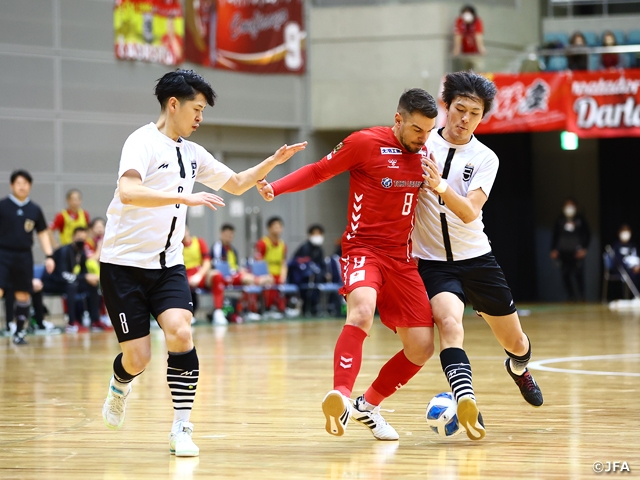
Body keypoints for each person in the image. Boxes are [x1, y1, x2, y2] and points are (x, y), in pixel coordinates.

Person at [99, 69, 305, 457]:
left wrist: (272, 162)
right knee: (138, 357)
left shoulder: (193, 153)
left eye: (203, 111)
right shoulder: (141, 142)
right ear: (173, 104)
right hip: (122, 265)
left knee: (180, 332)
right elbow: (127, 191)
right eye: (196, 109)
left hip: (168, 266)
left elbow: (238, 182)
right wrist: (185, 199)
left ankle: (181, 427)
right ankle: (120, 383)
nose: (200, 118)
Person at [258, 88, 438, 441]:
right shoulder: (364, 143)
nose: (423, 138)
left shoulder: (426, 155)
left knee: (421, 347)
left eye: (429, 131)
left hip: (402, 259)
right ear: (398, 119)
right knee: (360, 312)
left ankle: (367, 406)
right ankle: (340, 395)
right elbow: (319, 171)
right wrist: (275, 188)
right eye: (418, 129)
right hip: (363, 250)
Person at [413, 71, 543, 442]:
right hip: (433, 262)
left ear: (482, 117)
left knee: (517, 344)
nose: (464, 118)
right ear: (446, 107)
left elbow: (470, 211)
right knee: (451, 327)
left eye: (473, 112)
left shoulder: (486, 158)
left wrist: (438, 185)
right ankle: (466, 399)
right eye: (458, 109)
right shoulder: (422, 147)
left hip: (477, 259)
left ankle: (519, 370)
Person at [0, 170, 55, 345]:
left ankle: (20, 332)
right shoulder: (3, 206)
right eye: (18, 183)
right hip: (3, 253)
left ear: (30, 186)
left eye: (25, 183)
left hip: (24, 255)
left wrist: (49, 255)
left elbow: (43, 233)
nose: (22, 186)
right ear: (12, 185)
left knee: (23, 293)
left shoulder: (34, 209)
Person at [42, 226, 105, 333]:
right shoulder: (63, 251)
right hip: (52, 282)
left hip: (67, 281)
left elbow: (83, 272)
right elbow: (62, 275)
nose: (81, 240)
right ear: (73, 237)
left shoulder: (81, 252)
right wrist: (84, 277)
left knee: (92, 284)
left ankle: (95, 320)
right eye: (79, 237)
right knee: (72, 285)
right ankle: (71, 322)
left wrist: (87, 277)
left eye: (83, 238)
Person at [210, 223, 263, 324]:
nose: (229, 237)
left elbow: (236, 266)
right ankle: (219, 312)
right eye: (227, 234)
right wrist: (236, 273)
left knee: (250, 278)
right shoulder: (217, 247)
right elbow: (218, 266)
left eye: (231, 235)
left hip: (234, 275)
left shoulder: (233, 250)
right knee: (250, 279)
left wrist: (241, 270)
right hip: (225, 277)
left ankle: (247, 310)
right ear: (221, 234)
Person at [550, 198, 591, 302]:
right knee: (565, 275)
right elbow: (555, 236)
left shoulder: (580, 219)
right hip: (563, 253)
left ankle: (581, 296)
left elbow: (588, 235)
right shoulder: (560, 220)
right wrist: (553, 249)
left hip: (577, 253)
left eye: (571, 205)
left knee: (578, 274)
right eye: (567, 205)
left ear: (576, 207)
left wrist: (584, 249)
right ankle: (570, 296)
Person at [288, 224, 329, 316]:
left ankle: (317, 306)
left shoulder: (319, 249)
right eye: (315, 234)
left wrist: (326, 273)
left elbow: (322, 264)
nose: (317, 236)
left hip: (317, 276)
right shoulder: (304, 247)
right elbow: (297, 262)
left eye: (319, 234)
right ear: (310, 235)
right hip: (303, 276)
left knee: (321, 277)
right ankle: (307, 306)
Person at [254, 216, 289, 316]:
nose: (277, 229)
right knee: (269, 283)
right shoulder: (263, 243)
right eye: (275, 227)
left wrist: (283, 276)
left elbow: (283, 263)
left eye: (279, 227)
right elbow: (259, 262)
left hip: (278, 275)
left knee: (283, 283)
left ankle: (281, 309)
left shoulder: (282, 245)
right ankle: (267, 308)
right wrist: (267, 276)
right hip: (267, 276)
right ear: (269, 228)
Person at [181, 225, 214, 322]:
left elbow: (207, 262)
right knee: (182, 284)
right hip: (184, 276)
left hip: (199, 274)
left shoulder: (199, 242)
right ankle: (188, 314)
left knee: (216, 276)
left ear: (188, 230)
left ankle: (218, 312)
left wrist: (199, 275)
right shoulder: (176, 246)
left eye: (185, 230)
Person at [452, 5, 486, 72]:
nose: (467, 14)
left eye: (469, 12)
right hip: (464, 55)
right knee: (464, 73)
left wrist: (481, 48)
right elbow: (458, 36)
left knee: (478, 71)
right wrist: (456, 49)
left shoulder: (477, 21)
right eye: (465, 12)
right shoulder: (460, 21)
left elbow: (478, 36)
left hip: (475, 54)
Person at [611, 224, 639, 291]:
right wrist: (629, 267)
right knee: (630, 274)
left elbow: (635, 258)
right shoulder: (616, 246)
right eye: (623, 231)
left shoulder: (632, 246)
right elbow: (616, 261)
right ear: (619, 233)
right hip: (622, 269)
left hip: (634, 269)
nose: (625, 234)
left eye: (627, 231)